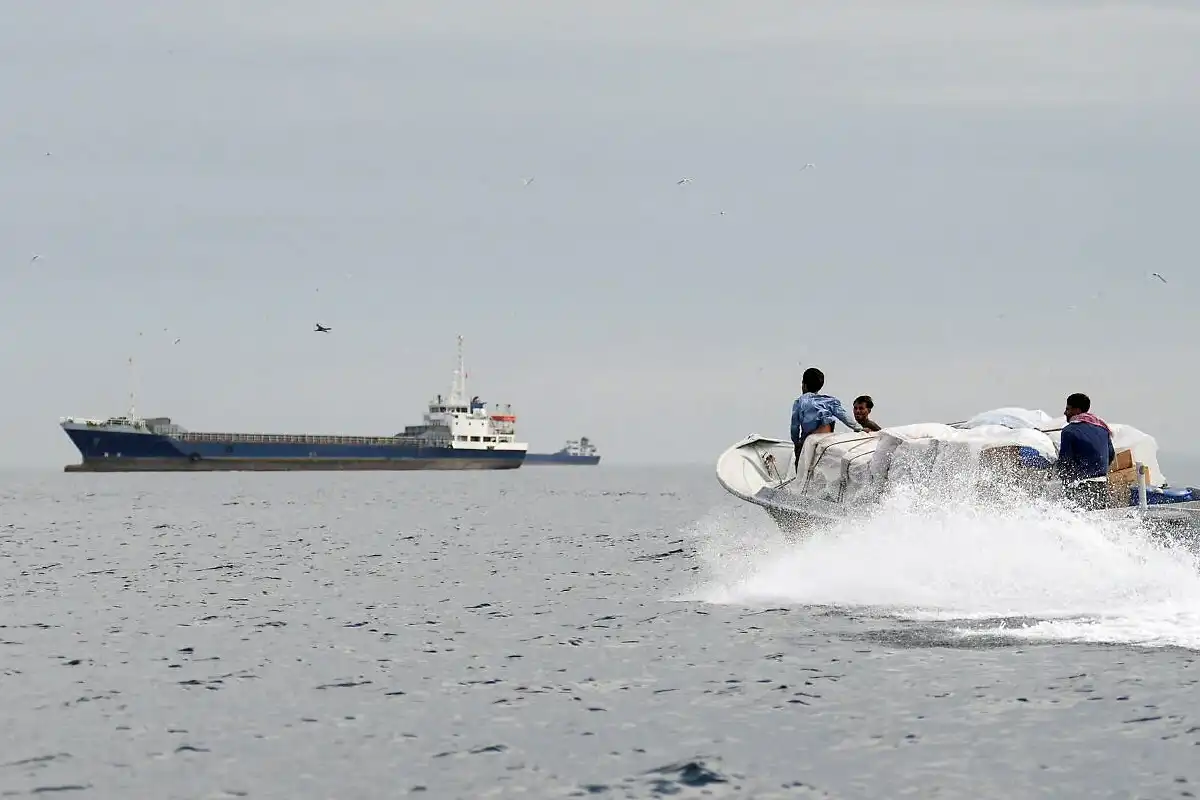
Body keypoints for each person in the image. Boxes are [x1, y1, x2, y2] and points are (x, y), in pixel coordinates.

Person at [790, 367, 865, 470]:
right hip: (827, 434)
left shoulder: (799, 402)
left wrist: (796, 443)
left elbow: (795, 426)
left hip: (810, 437)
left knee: (799, 462)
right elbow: (843, 416)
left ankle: (799, 480)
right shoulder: (829, 401)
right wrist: (858, 428)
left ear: (804, 384)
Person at [1056, 392, 1115, 510]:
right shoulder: (1103, 429)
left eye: (1068, 409)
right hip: (1101, 486)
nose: (1065, 413)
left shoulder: (1069, 431)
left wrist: (1061, 481)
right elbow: (1111, 455)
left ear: (1077, 410)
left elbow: (1065, 462)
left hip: (1081, 487)